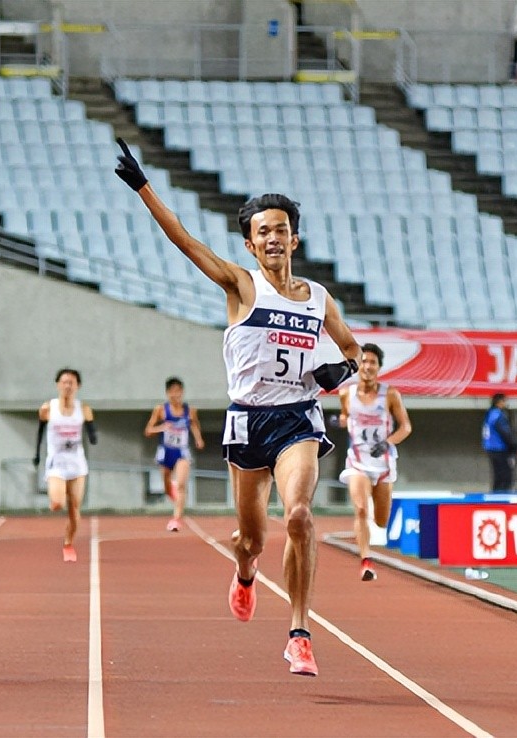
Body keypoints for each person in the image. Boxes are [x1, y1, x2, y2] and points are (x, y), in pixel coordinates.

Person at [115, 140, 363, 677]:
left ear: (294, 238)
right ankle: (245, 570)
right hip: (249, 420)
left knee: (299, 515)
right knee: (251, 539)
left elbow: (353, 349)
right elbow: (185, 240)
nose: (273, 238)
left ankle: (299, 633)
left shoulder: (318, 298)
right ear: (251, 245)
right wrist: (144, 188)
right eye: (262, 232)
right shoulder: (241, 285)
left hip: (298, 418)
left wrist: (340, 371)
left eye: (280, 229)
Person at [337, 343, 412, 582]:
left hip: (383, 463)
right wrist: (341, 420)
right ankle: (366, 561)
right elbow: (345, 415)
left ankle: (372, 540)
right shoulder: (346, 393)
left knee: (381, 520)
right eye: (364, 361)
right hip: (357, 461)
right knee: (361, 509)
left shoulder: (389, 395)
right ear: (357, 365)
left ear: (379, 368)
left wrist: (387, 443)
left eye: (373, 363)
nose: (367, 366)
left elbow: (406, 427)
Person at [34, 368, 97, 562]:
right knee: (57, 503)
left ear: (78, 386)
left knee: (75, 509)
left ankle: (68, 544)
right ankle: (56, 499)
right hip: (57, 463)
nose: (68, 386)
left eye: (72, 382)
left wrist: (92, 434)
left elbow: (92, 432)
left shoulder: (83, 409)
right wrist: (36, 455)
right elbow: (40, 432)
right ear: (58, 385)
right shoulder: (48, 408)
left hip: (77, 464)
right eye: (64, 382)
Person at [144, 377, 206, 532]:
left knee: (181, 484)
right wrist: (162, 428)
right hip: (165, 451)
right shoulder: (161, 410)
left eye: (178, 391)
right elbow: (148, 430)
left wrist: (198, 439)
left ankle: (176, 519)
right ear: (167, 393)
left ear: (182, 392)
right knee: (167, 487)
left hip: (182, 451)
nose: (175, 394)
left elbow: (194, 425)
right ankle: (170, 489)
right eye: (172, 391)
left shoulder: (190, 411)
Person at [483, 393, 517, 492]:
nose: (506, 404)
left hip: (491, 448)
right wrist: (516, 447)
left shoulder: (489, 413)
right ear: (499, 402)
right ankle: (501, 497)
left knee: (498, 476)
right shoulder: (498, 415)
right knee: (505, 477)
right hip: (499, 448)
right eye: (504, 401)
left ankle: (496, 495)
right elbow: (505, 433)